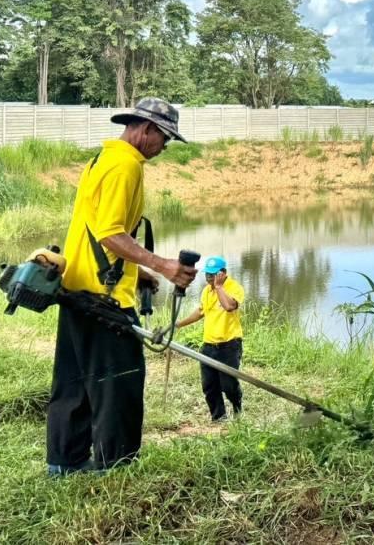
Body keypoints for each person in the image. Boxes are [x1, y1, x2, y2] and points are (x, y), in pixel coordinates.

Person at [47, 97, 198, 476]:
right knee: (121, 384)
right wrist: (161, 264)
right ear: (145, 129)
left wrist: (139, 273)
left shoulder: (103, 158)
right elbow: (111, 233)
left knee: (73, 383)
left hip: (76, 288)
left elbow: (96, 229)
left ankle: (64, 464)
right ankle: (117, 467)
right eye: (164, 138)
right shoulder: (126, 165)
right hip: (104, 298)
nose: (164, 148)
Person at [177, 256, 245, 421]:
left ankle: (237, 406)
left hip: (229, 345)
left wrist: (219, 287)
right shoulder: (207, 291)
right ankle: (219, 416)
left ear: (223, 273)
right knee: (209, 385)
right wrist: (178, 324)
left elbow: (229, 306)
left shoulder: (234, 288)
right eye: (207, 274)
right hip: (209, 345)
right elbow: (201, 312)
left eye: (213, 274)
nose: (209, 278)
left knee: (228, 385)